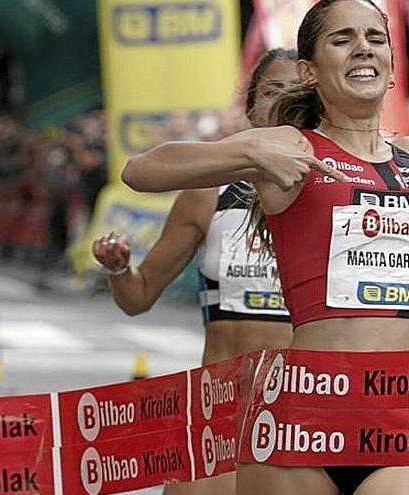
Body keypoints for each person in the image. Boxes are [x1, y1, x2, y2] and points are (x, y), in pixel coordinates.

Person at [121, 1, 409, 493]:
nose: (362, 48)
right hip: (303, 416)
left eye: (376, 38)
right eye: (342, 39)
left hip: (402, 421)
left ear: (393, 65)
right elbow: (140, 172)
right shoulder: (293, 146)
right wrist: (250, 150)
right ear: (309, 70)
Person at [92, 48, 301, 495]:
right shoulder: (210, 192)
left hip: (297, 416)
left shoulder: (341, 192)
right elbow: (138, 296)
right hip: (218, 411)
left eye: (297, 92)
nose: (284, 102)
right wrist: (120, 268)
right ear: (250, 107)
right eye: (272, 91)